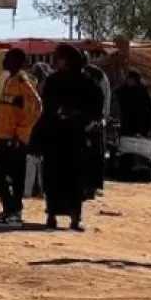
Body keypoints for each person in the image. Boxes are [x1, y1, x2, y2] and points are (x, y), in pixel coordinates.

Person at [33, 44, 102, 231]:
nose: (58, 61)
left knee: (75, 178)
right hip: (55, 136)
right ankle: (51, 215)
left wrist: (78, 114)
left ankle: (75, 217)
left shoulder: (87, 83)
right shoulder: (53, 80)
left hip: (76, 137)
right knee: (52, 176)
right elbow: (46, 105)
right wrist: (58, 112)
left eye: (61, 57)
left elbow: (96, 107)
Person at [0, 49, 41, 227]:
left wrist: (20, 133)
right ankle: (9, 209)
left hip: (13, 137)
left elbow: (35, 107)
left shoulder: (22, 81)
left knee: (11, 175)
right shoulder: (9, 80)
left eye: (8, 59)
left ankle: (14, 213)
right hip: (2, 134)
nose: (4, 61)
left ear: (17, 62)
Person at [83, 58, 112, 197]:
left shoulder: (97, 76)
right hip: (84, 122)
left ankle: (92, 186)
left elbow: (103, 99)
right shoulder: (78, 75)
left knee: (94, 155)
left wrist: (100, 119)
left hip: (95, 122)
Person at [115, 70, 151, 139]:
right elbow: (119, 96)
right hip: (126, 123)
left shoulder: (143, 93)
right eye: (129, 79)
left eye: (132, 80)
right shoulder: (125, 90)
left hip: (139, 125)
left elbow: (149, 111)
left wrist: (148, 126)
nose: (130, 82)